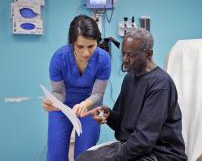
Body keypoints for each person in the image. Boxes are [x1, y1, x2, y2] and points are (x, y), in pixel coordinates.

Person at [76, 28, 187, 161]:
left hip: (160, 154)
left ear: (149, 54)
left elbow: (144, 140)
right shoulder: (130, 78)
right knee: (84, 158)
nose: (125, 59)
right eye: (123, 54)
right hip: (135, 147)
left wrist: (113, 158)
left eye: (131, 55)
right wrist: (107, 115)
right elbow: (121, 123)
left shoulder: (160, 85)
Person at [42, 15, 111, 161]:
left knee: (85, 155)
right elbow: (58, 92)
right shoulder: (59, 58)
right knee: (55, 155)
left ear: (97, 42)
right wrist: (52, 101)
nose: (86, 53)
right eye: (80, 47)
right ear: (72, 43)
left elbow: (98, 94)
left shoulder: (104, 59)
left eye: (91, 46)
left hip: (91, 107)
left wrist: (84, 104)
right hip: (62, 108)